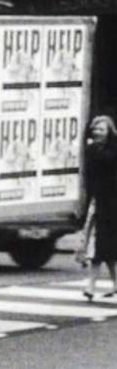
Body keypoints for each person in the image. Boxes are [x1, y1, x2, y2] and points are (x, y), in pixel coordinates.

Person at [82, 115, 117, 301]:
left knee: (101, 247)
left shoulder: (111, 149)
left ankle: (91, 285)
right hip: (98, 202)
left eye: (101, 129)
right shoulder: (91, 149)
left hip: (113, 204)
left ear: (109, 131)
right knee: (105, 248)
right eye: (95, 129)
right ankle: (106, 284)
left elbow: (107, 161)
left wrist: (93, 148)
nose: (97, 132)